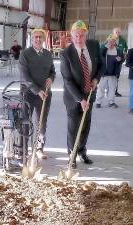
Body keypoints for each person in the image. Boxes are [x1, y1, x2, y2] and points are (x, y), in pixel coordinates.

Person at [60, 20, 103, 168]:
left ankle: (82, 151)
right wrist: (80, 99)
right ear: (72, 36)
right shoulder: (66, 54)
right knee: (73, 127)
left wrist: (96, 79)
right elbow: (67, 80)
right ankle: (71, 155)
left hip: (90, 94)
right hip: (73, 98)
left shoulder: (94, 46)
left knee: (85, 125)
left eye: (82, 36)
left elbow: (101, 65)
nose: (79, 39)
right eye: (76, 36)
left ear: (86, 35)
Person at [19, 28, 56, 160]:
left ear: (44, 39)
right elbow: (24, 77)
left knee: (41, 122)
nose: (38, 39)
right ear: (32, 39)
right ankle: (23, 150)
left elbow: (53, 71)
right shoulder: (25, 54)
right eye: (36, 37)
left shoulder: (48, 54)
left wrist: (51, 78)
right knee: (25, 121)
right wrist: (37, 90)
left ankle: (39, 148)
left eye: (40, 37)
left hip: (45, 95)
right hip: (28, 94)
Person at [96, 34, 124, 108]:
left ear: (115, 42)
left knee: (112, 89)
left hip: (113, 73)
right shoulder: (104, 49)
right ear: (107, 41)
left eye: (113, 41)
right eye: (110, 41)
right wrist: (106, 46)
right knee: (101, 88)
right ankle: (98, 102)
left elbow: (122, 59)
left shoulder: (118, 50)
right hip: (103, 73)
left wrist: (120, 60)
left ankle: (111, 102)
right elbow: (100, 53)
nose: (111, 43)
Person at [112, 27, 128, 97]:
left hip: (119, 62)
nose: (117, 33)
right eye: (116, 32)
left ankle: (115, 91)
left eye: (118, 32)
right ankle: (109, 91)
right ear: (113, 33)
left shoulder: (123, 41)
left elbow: (125, 50)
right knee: (110, 76)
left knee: (116, 76)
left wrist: (123, 57)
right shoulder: (110, 40)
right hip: (111, 61)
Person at [125, 48, 133, 114]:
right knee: (132, 93)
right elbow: (127, 63)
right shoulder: (131, 51)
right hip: (132, 76)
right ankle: (131, 108)